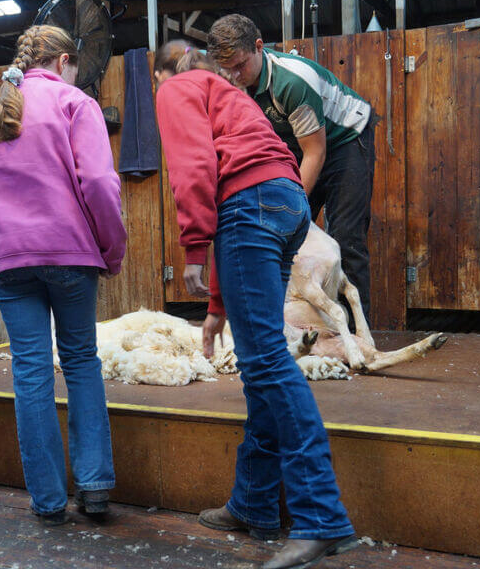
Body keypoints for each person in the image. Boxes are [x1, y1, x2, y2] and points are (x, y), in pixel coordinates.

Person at [153, 40, 357, 569]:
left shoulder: (176, 86)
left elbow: (196, 167)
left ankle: (322, 517)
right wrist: (219, 304)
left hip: (252, 205)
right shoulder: (230, 92)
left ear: (162, 74)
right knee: (263, 362)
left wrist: (193, 248)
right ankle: (255, 502)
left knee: (265, 362)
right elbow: (243, 185)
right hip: (287, 202)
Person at [0, 25, 126, 526]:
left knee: (30, 372)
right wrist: (110, 249)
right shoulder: (74, 103)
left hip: (10, 259)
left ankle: (48, 501)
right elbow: (97, 180)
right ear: (63, 63)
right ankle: (94, 487)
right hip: (71, 254)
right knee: (80, 362)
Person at [208, 14, 375, 321]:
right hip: (297, 145)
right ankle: (297, 326)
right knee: (282, 236)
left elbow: (316, 152)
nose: (232, 76)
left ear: (259, 47)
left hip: (344, 139)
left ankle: (356, 336)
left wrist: (286, 205)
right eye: (225, 68)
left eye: (240, 65)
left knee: (345, 237)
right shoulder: (231, 84)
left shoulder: (291, 82)